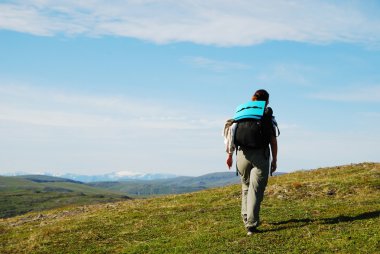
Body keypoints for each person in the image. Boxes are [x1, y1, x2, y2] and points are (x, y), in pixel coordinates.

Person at [225, 89, 278, 236]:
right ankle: (251, 224)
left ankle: (246, 218)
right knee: (256, 189)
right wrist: (274, 159)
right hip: (260, 154)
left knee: (246, 187)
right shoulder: (266, 115)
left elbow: (231, 133)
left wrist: (230, 155)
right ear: (267, 101)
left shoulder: (242, 114)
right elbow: (273, 140)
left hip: (241, 154)